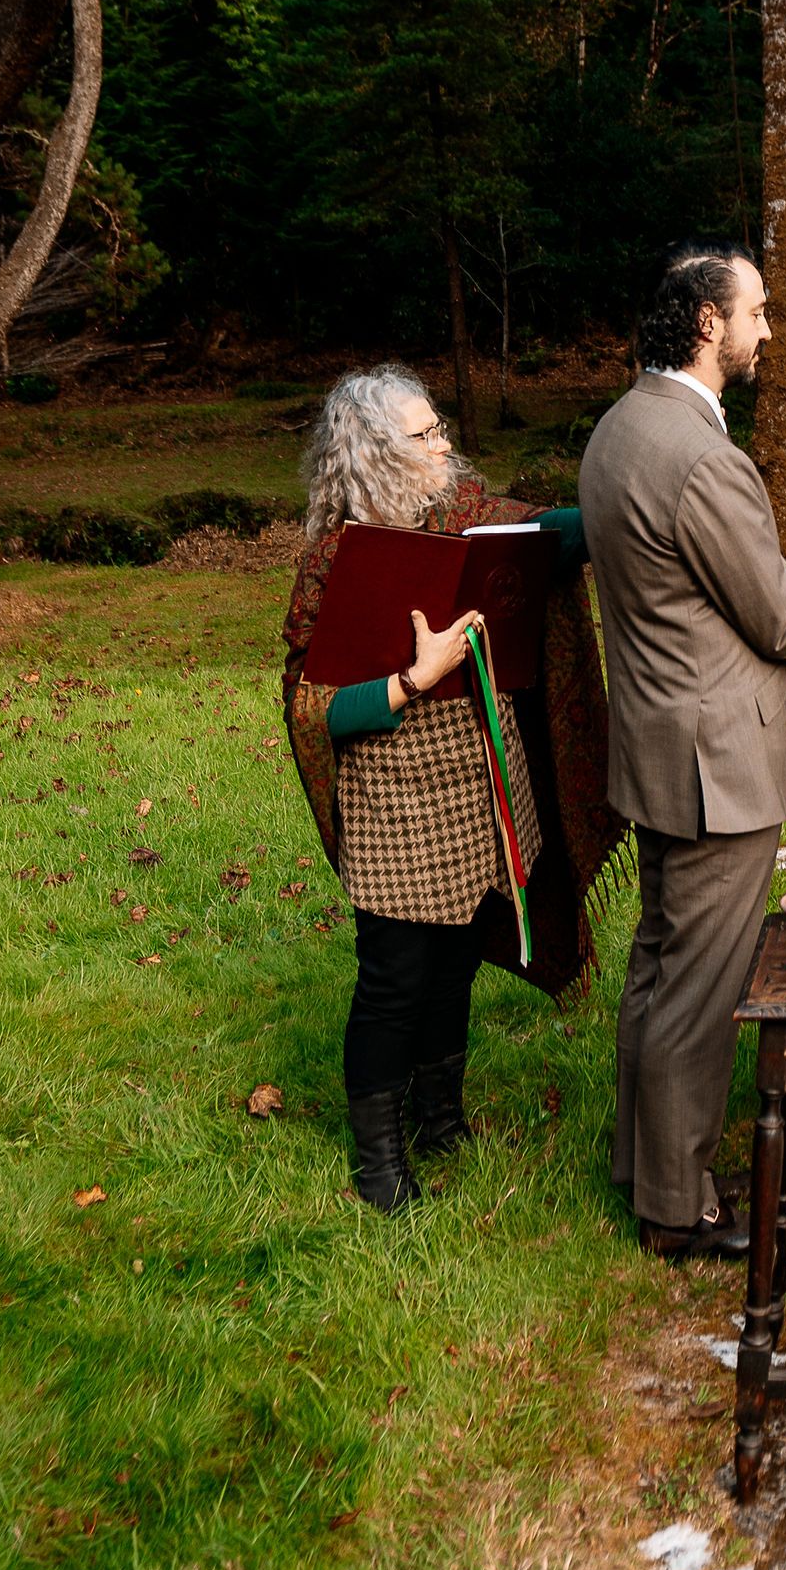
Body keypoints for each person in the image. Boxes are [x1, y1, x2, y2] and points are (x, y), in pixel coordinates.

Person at [578, 239, 786, 1261]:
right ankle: (680, 1209)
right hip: (716, 762)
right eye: (755, 311)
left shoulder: (619, 428)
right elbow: (781, 623)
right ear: (708, 322)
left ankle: (644, 1166)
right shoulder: (702, 457)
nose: (767, 330)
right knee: (704, 990)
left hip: (658, 745)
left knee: (659, 965)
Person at [283, 366, 621, 1217]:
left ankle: (441, 1119)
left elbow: (547, 537)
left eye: (439, 429)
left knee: (459, 955)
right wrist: (410, 679)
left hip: (478, 779)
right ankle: (380, 1159)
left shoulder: (468, 515)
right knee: (396, 976)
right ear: (370, 452)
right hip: (395, 790)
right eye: (424, 436)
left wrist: (630, 504)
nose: (444, 447)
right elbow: (311, 707)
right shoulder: (339, 558)